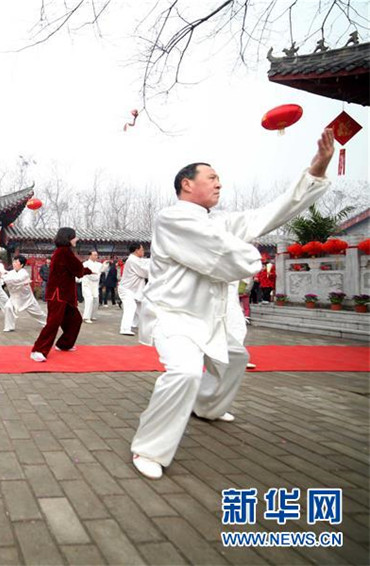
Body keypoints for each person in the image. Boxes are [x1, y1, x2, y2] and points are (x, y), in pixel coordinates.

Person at [130, 129, 334, 480]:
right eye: (211, 178)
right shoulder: (172, 218)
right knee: (185, 372)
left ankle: (207, 406)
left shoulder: (221, 222)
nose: (219, 184)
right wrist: (253, 260)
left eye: (220, 179)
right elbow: (219, 252)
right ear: (186, 185)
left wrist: (316, 169)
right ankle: (149, 449)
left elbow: (271, 213)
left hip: (211, 318)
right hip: (174, 317)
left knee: (235, 357)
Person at [30, 228, 90, 362]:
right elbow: (78, 270)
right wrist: (91, 270)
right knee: (53, 322)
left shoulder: (64, 252)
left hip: (65, 294)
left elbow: (76, 270)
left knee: (75, 320)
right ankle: (38, 350)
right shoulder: (64, 253)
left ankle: (64, 344)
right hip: (58, 294)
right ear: (68, 238)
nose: (76, 239)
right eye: (74, 237)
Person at [3, 255, 47, 332]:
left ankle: (47, 323)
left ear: (22, 265)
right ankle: (9, 326)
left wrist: (4, 277)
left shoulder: (24, 274)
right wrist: (2, 275)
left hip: (26, 298)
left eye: (16, 262)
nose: (14, 263)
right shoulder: (11, 273)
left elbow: (15, 280)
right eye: (14, 261)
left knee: (37, 313)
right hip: (15, 297)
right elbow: (5, 275)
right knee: (8, 307)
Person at [118, 243, 150, 336]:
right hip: (126, 289)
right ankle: (124, 328)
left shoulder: (137, 260)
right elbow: (144, 272)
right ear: (137, 250)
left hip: (134, 289)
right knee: (131, 307)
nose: (143, 251)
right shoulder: (132, 261)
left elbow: (146, 262)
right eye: (142, 249)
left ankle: (135, 324)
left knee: (141, 308)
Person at [81, 251, 105, 324]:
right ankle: (86, 317)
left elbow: (102, 270)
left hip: (95, 286)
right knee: (89, 299)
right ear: (90, 256)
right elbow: (87, 274)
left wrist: (106, 264)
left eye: (97, 255)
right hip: (87, 285)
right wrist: (95, 275)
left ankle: (92, 315)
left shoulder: (99, 264)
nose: (96, 256)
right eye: (94, 255)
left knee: (96, 300)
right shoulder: (85, 264)